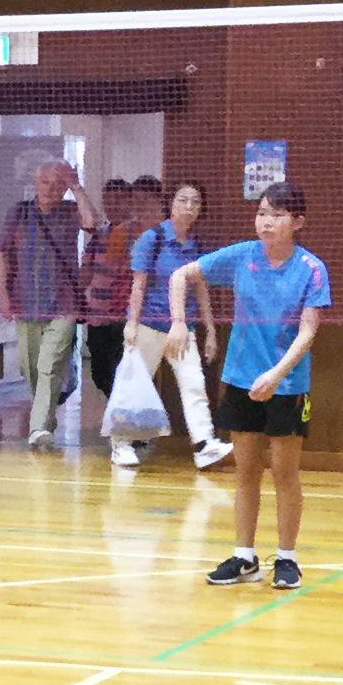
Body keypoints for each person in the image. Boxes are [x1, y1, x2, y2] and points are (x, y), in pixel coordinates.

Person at [178, 180, 325, 591]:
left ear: (298, 222)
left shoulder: (312, 269)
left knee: (284, 472)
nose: (266, 222)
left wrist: (276, 374)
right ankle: (244, 557)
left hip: (287, 384)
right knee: (245, 471)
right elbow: (181, 275)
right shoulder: (242, 256)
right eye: (262, 213)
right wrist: (177, 323)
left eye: (277, 215)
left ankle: (287, 558)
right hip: (240, 379)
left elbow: (308, 332)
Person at [0, 158, 101, 451]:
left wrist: (77, 187)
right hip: (26, 302)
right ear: (35, 183)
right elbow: (0, 252)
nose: (51, 189)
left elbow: (92, 223)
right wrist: (3, 295)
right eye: (45, 182)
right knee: (30, 367)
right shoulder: (19, 212)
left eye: (58, 184)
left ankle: (38, 427)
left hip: (63, 303)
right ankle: (50, 412)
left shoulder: (70, 211)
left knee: (48, 364)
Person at [122, 180, 232, 472]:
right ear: (170, 204)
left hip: (183, 331)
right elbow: (138, 285)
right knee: (135, 386)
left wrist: (210, 331)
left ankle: (204, 445)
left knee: (194, 384)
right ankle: (121, 444)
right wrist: (131, 325)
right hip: (148, 326)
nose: (189, 207)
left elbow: (201, 290)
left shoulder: (196, 245)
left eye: (195, 202)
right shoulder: (151, 239)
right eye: (183, 200)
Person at [83, 178, 139, 407]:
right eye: (107, 200)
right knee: (99, 374)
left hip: (123, 317)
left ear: (130, 202)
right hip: (97, 315)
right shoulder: (99, 235)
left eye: (118, 199)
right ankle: (118, 411)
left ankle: (122, 418)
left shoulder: (137, 235)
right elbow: (86, 270)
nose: (112, 205)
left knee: (120, 371)